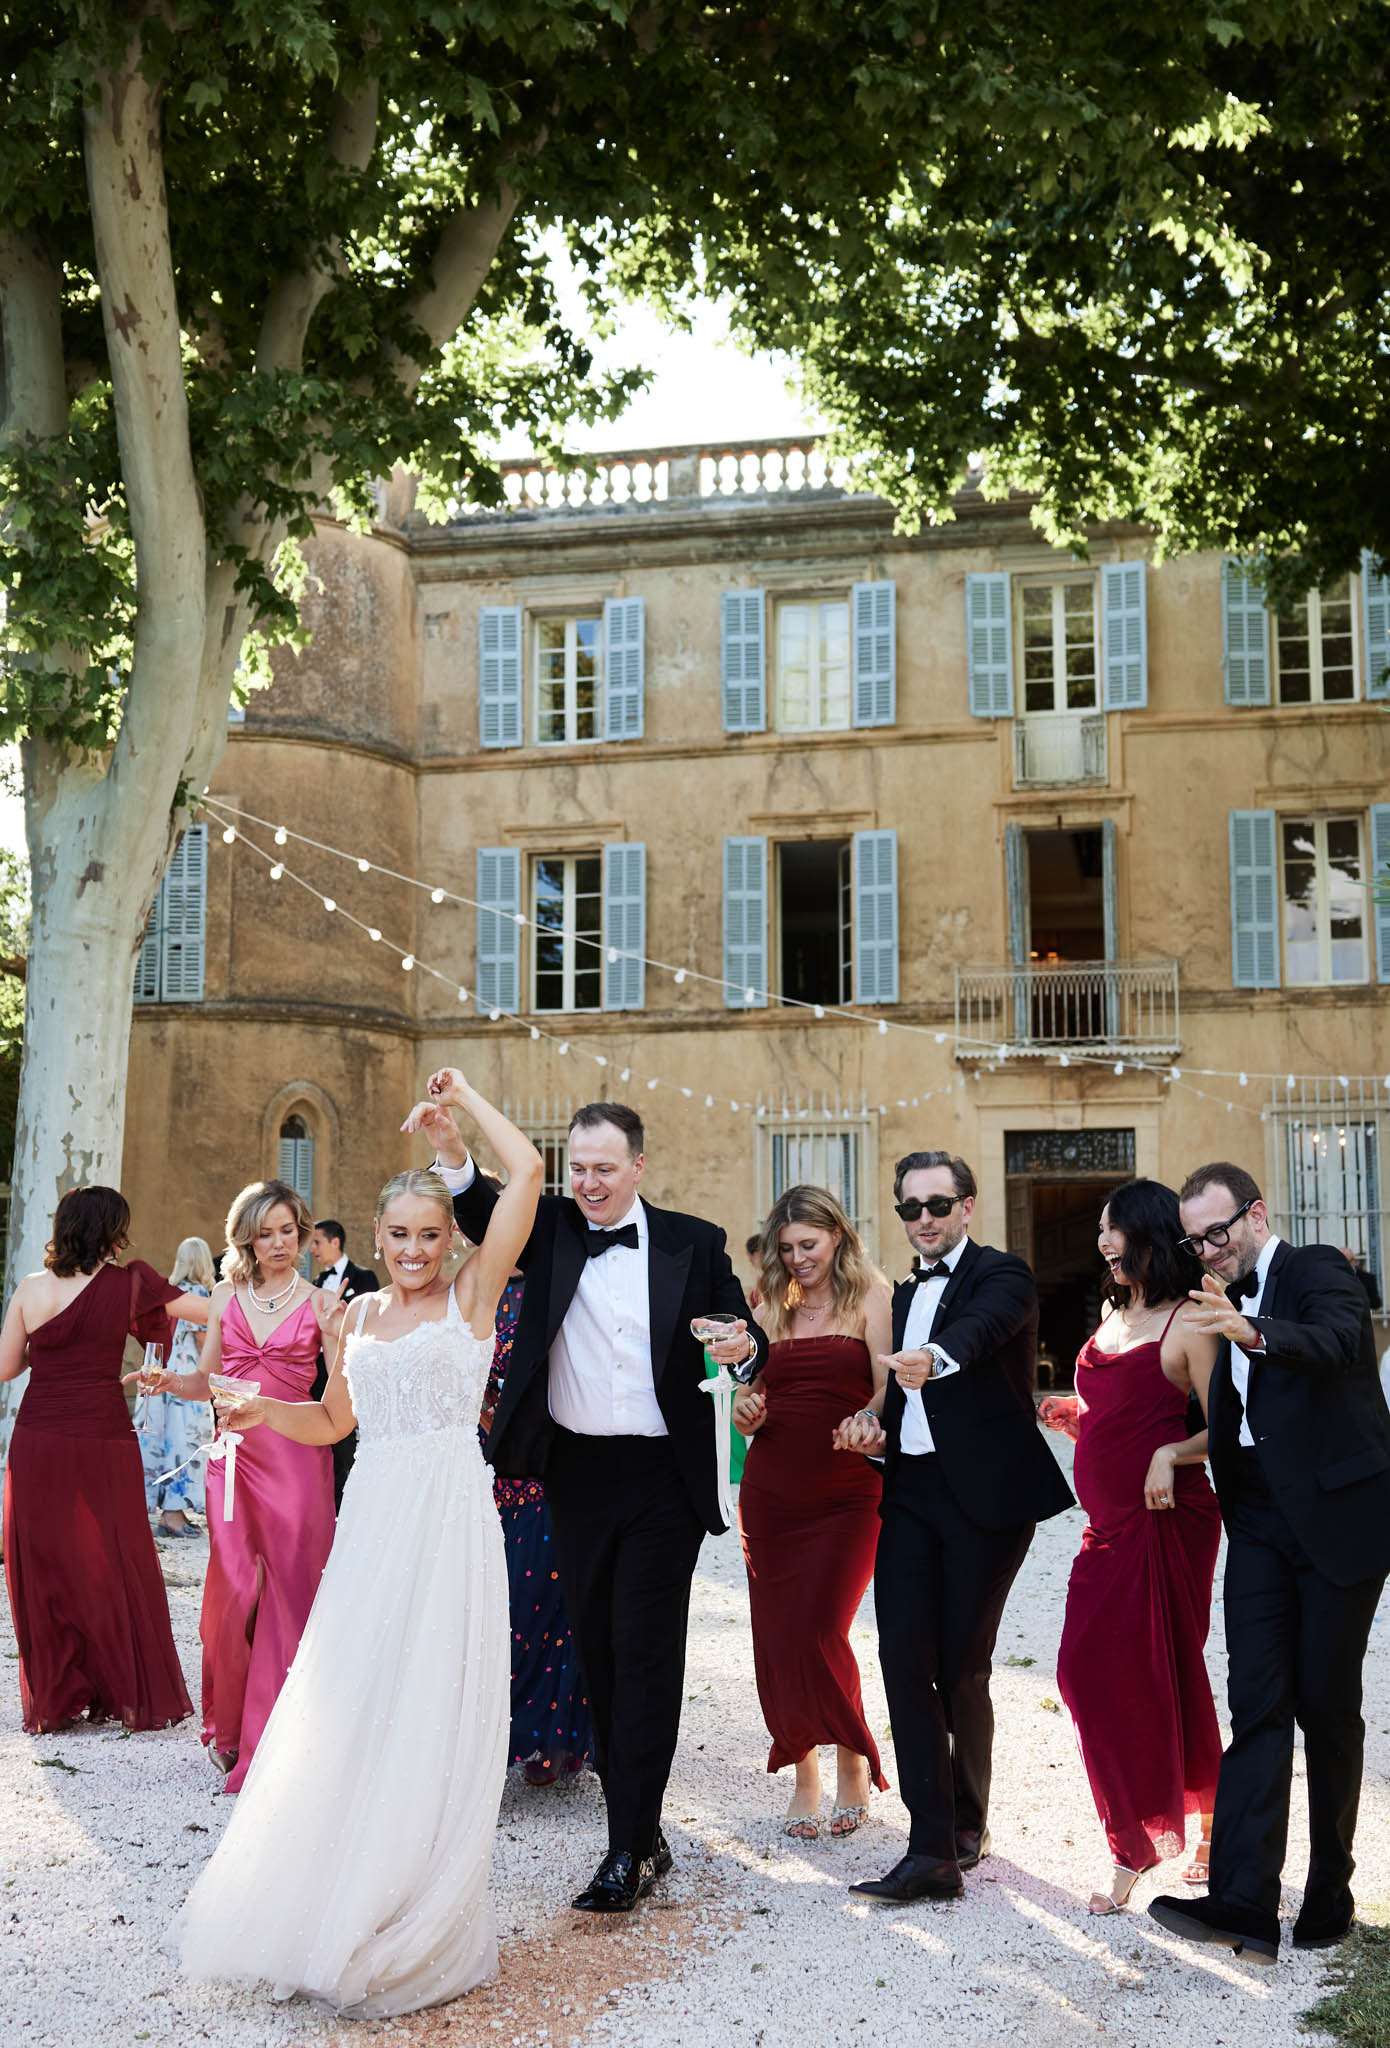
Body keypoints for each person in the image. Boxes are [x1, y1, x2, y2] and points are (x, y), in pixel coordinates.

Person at [176, 1072, 541, 2017]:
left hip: (449, 1517)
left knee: (432, 1698)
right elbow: (335, 1423)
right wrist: (264, 1411)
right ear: (376, 1237)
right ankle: (335, 1889)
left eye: (430, 1235)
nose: (414, 1250)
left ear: (451, 1239)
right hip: (374, 1517)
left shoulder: (473, 1296)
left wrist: (462, 1107)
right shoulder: (360, 1316)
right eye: (400, 1235)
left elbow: (530, 1172)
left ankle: (411, 1897)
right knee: (353, 1695)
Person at [425, 1081, 764, 1914]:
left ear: (638, 1166)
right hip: (574, 1475)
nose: (588, 1182)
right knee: (599, 1654)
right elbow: (481, 1210)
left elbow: (743, 1334)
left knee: (645, 1653)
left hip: (664, 1480)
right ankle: (642, 1829)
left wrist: (740, 1346)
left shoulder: (694, 1241)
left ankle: (626, 1847)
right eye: (577, 1167)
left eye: (604, 1169)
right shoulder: (550, 1230)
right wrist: (451, 1144)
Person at [1149, 1163, 1390, 1966]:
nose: (1208, 1250)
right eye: (1195, 1241)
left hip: (1336, 1524)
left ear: (1255, 1215)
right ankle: (1244, 1902)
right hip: (1255, 1524)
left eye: (1217, 1233)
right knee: (1255, 1704)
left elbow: (1340, 1341)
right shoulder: (1213, 1299)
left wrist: (1253, 1333)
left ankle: (1331, 1889)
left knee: (1327, 1708)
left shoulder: (1314, 1268)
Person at [834, 1150, 1074, 1904]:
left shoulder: (1003, 1275)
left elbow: (979, 1330)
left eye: (938, 1204)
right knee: (903, 1660)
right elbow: (894, 1400)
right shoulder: (902, 1293)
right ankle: (931, 1846)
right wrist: (871, 1425)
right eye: (911, 1208)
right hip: (910, 1494)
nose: (925, 1219)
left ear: (967, 1206)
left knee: (963, 1668)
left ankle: (969, 1820)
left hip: (986, 1502)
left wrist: (933, 1360)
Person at [1038, 1180, 1222, 1914]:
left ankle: (1157, 1839)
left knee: (1163, 1673)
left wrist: (1169, 1455)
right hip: (1106, 1526)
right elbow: (1119, 1410)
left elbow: (1229, 1430)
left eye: (1112, 1230)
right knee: (1084, 1674)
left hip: (1168, 1522)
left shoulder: (1191, 1321)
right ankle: (1154, 1827)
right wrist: (1079, 1419)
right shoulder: (1115, 1313)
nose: (1102, 1244)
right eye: (1100, 1233)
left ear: (1147, 1233)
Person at [0, 1186, 210, 1733]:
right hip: (102, 1433)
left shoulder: (31, 1288)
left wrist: (49, 1351)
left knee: (45, 1558)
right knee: (116, 1554)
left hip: (39, 1435)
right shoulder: (129, 1283)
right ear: (111, 1231)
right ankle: (125, 1689)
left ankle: (58, 1696)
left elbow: (6, 1367)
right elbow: (212, 1311)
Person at [156, 1180, 341, 1791]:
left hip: (296, 1460)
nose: (279, 1243)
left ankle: (280, 1735)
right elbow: (206, 1380)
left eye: (288, 1231)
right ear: (246, 1239)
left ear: (303, 1234)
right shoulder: (224, 1296)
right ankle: (230, 1724)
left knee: (291, 1591)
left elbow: (340, 1396)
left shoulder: (320, 1303)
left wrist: (344, 1338)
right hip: (231, 1462)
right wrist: (170, 1381)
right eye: (266, 1233)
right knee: (233, 1591)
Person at [732, 1185, 892, 1839]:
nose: (798, 1258)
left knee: (823, 1627)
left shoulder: (873, 1295)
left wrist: (868, 1419)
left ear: (838, 1237)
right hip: (772, 1490)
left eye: (809, 1244)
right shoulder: (771, 1304)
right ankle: (805, 1773)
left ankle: (853, 1756)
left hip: (848, 1489)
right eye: (787, 1248)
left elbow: (885, 1388)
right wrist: (746, 1410)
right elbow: (752, 1391)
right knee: (778, 1636)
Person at [479, 1263, 594, 1787]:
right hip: (483, 1468)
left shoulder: (558, 1284)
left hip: (549, 1465)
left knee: (545, 1606)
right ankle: (491, 1737)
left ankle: (550, 1737)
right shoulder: (472, 1291)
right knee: (494, 1609)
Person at [137, 1235, 215, 1537]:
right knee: (185, 1443)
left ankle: (168, 1511)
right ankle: (173, 1512)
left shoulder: (168, 1295)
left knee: (162, 1441)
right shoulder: (199, 1295)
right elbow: (204, 1343)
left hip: (161, 1374)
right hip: (186, 1378)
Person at [309, 1218, 375, 1509]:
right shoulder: (317, 1283)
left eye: (317, 1242)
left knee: (348, 1441)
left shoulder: (364, 1278)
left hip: (351, 1372)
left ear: (334, 1242)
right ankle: (328, 1501)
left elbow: (370, 1325)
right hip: (319, 1377)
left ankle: (350, 1502)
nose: (312, 1249)